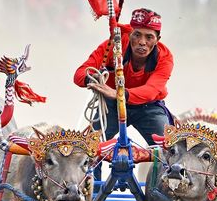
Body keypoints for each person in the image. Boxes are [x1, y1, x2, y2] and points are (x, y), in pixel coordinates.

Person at [73, 8, 173, 144]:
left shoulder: (165, 58)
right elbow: (80, 74)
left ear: (157, 40)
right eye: (137, 35)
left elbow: (151, 91)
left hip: (148, 107)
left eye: (149, 37)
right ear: (130, 34)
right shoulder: (113, 45)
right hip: (111, 105)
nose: (142, 42)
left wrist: (119, 94)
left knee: (170, 148)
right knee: (88, 148)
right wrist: (94, 78)